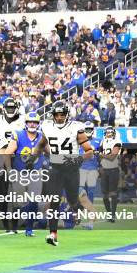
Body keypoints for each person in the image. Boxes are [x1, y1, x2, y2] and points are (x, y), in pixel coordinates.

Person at [32, 101, 94, 246]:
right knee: (54, 200)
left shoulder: (76, 128)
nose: (59, 117)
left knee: (72, 199)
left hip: (71, 169)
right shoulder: (47, 126)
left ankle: (77, 209)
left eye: (62, 114)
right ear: (52, 115)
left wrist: (78, 158)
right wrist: (33, 156)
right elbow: (41, 144)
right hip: (55, 168)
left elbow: (89, 151)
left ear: (67, 115)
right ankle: (53, 234)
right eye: (57, 115)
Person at [3, 112, 45, 236]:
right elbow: (7, 153)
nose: (32, 124)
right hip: (19, 172)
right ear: (26, 123)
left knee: (33, 201)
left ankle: (29, 229)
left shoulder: (43, 137)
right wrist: (10, 170)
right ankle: (15, 222)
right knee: (20, 202)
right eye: (30, 122)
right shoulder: (18, 134)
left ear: (38, 124)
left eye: (35, 122)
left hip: (36, 172)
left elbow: (50, 152)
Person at [99, 126, 122, 222]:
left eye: (110, 133)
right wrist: (101, 164)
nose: (109, 134)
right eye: (107, 133)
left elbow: (112, 157)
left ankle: (113, 215)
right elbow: (100, 155)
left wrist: (101, 155)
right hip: (104, 170)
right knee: (104, 195)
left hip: (113, 169)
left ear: (113, 133)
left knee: (113, 193)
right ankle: (109, 214)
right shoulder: (103, 141)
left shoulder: (117, 141)